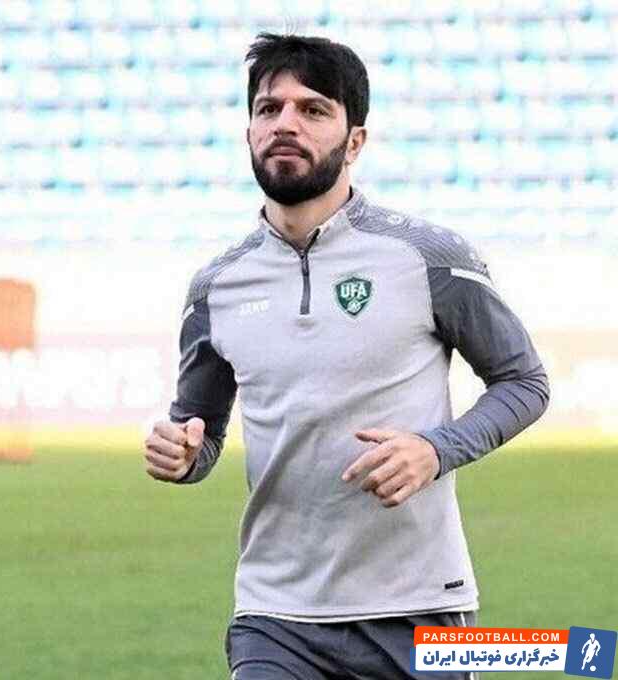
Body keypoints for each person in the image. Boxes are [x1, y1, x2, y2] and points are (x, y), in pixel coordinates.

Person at [143, 33, 549, 680]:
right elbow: (200, 433)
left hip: (419, 609)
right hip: (276, 617)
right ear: (248, 133)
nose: (286, 124)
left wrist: (436, 450)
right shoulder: (215, 288)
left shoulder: (429, 258)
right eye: (269, 108)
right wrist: (182, 453)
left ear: (354, 140)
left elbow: (524, 382)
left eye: (313, 109)